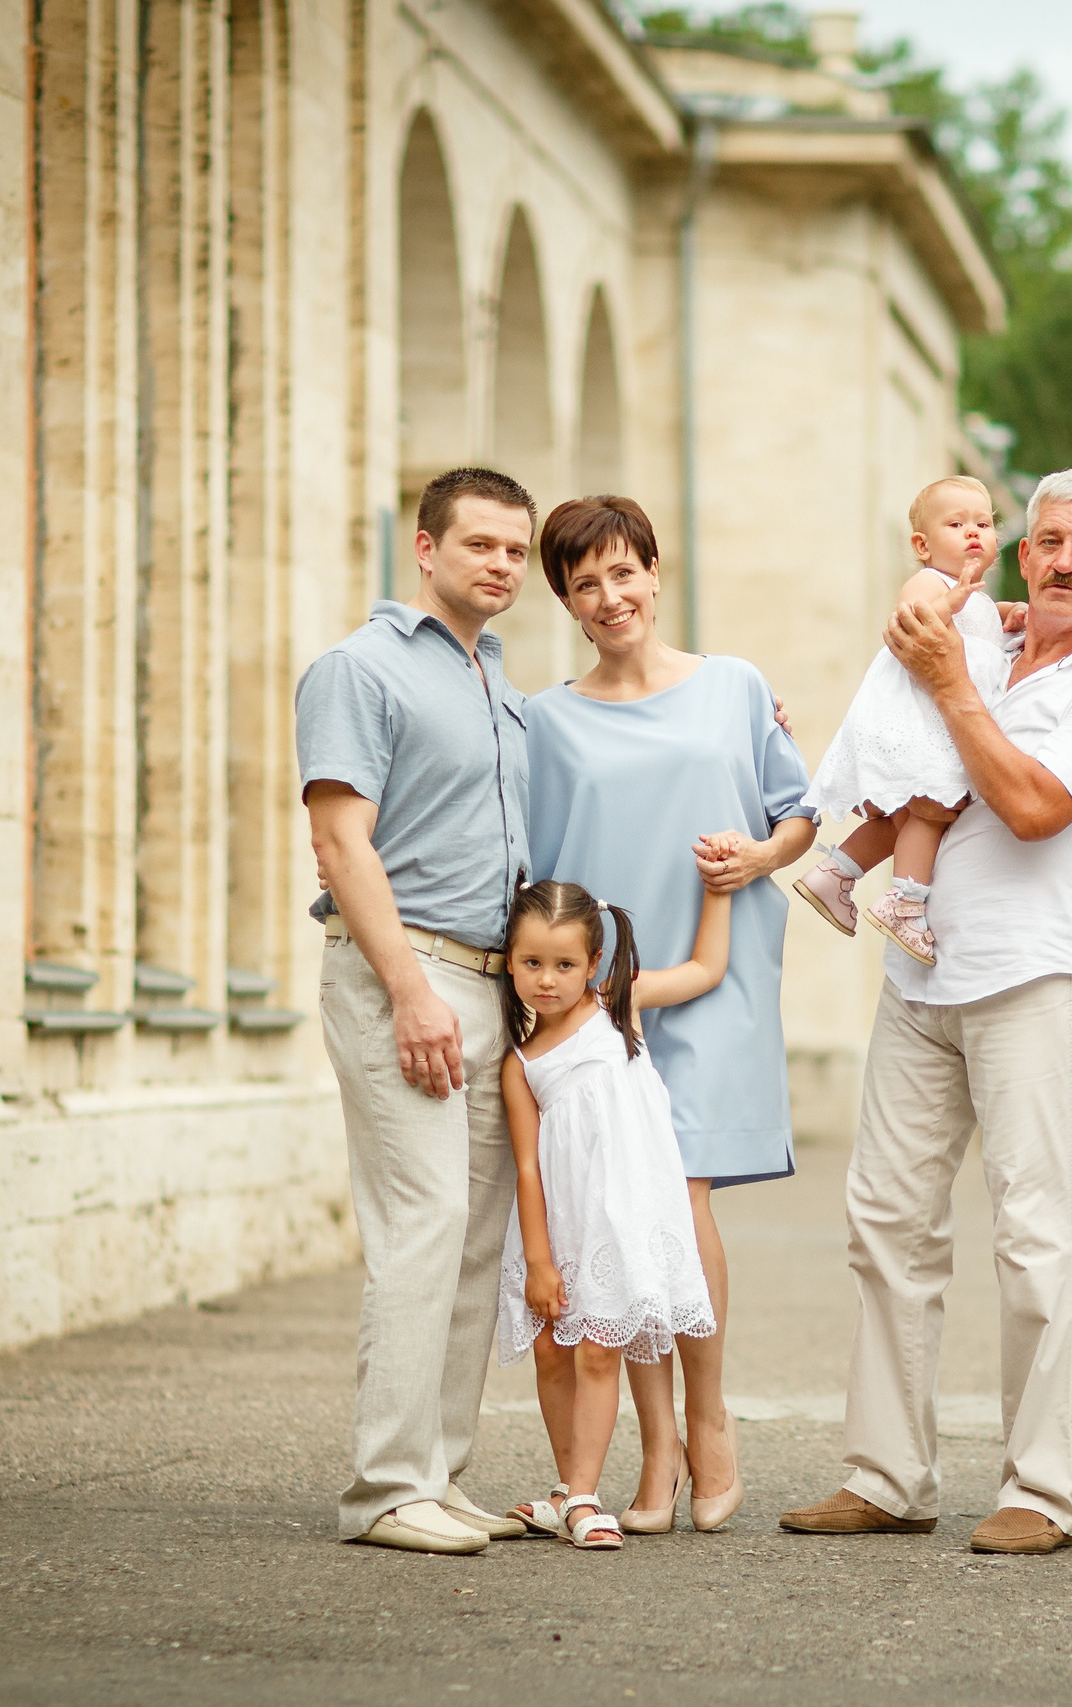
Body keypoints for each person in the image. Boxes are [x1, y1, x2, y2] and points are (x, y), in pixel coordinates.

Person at [781, 468, 1072, 1557]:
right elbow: (897, 737)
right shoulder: (987, 639)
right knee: (886, 1226)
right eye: (1044, 539)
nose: (1057, 560)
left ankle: (1039, 1493)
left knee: (1034, 1235)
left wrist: (954, 681)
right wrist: (954, 653)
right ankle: (886, 1475)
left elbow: (1037, 808)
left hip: (1031, 981)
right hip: (918, 978)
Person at [521, 495, 817, 1537]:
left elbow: (799, 812)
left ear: (654, 570)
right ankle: (657, 1450)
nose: (610, 599)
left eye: (623, 573)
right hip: (609, 1006)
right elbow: (530, 870)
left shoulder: (735, 688)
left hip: (717, 975)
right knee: (625, 1208)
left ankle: (711, 1417)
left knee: (681, 1197)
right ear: (564, 600)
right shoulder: (543, 722)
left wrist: (760, 856)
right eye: (584, 584)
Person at [297, 466, 542, 1555]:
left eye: (516, 551)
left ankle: (437, 1475)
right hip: (406, 975)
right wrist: (408, 992)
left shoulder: (499, 683)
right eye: (480, 543)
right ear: (427, 547)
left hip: (490, 983)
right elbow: (341, 839)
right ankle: (383, 1488)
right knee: (423, 1224)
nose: (499, 564)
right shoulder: (360, 668)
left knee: (475, 1239)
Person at [496, 877, 732, 1550]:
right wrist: (538, 1260)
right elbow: (527, 1166)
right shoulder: (521, 1063)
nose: (546, 980)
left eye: (564, 964)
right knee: (551, 1349)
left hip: (620, 1214)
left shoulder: (615, 1005)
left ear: (593, 965)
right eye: (531, 963)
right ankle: (570, 1486)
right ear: (509, 961)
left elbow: (705, 968)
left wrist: (719, 886)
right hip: (562, 1221)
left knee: (599, 1348)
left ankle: (585, 1495)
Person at [797, 476, 1012, 964]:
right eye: (956, 524)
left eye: (984, 522)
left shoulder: (974, 597)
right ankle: (906, 902)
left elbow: (978, 631)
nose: (973, 532)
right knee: (932, 807)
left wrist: (1001, 613)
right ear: (923, 544)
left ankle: (836, 873)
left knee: (904, 813)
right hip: (916, 719)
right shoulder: (930, 582)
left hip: (939, 719)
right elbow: (910, 618)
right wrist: (949, 603)